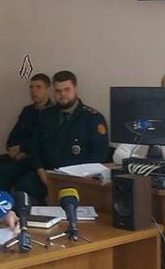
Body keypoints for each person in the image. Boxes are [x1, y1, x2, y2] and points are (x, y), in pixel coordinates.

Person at [14, 70, 109, 201]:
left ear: (75, 89)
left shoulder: (92, 118)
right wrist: (40, 169)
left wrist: (79, 176)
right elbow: (35, 147)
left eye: (67, 90)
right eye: (58, 91)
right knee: (22, 190)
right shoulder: (45, 115)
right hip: (47, 174)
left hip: (78, 178)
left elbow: (100, 154)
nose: (62, 94)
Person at [0, 73, 54, 193]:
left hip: (35, 158)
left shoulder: (53, 113)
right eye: (31, 87)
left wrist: (22, 148)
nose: (34, 91)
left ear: (47, 89)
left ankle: (4, 204)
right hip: (17, 155)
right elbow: (12, 138)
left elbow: (44, 142)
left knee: (4, 171)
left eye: (38, 87)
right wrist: (14, 149)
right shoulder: (28, 111)